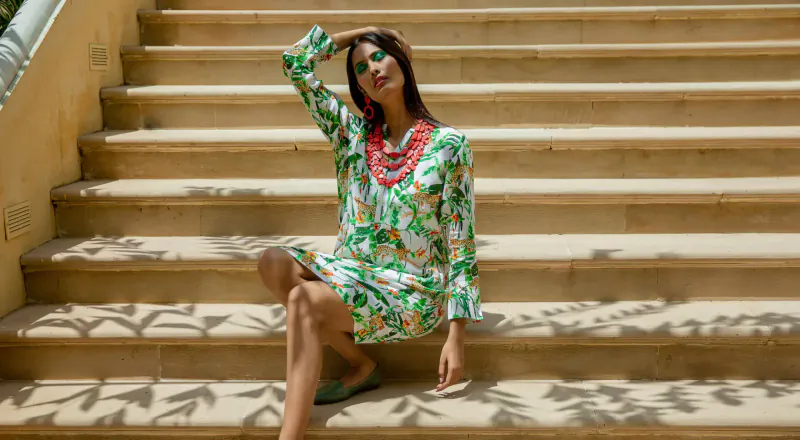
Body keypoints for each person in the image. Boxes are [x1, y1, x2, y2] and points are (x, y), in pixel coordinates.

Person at [258, 24, 483, 440]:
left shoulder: (450, 145)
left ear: (402, 60)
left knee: (303, 298)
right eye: (360, 68)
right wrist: (364, 32)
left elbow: (461, 241)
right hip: (354, 275)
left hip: (413, 290)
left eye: (379, 56)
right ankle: (363, 364)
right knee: (273, 262)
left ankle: (290, 436)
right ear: (358, 87)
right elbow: (294, 62)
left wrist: (457, 335)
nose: (372, 69)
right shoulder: (352, 138)